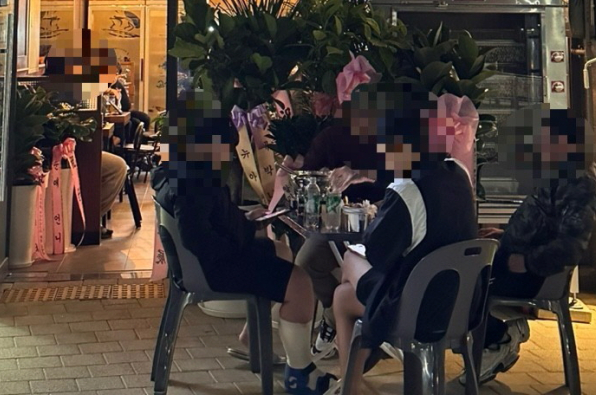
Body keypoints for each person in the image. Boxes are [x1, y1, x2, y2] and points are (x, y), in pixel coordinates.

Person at [152, 91, 335, 395]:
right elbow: (198, 237)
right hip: (214, 266)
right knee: (300, 283)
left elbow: (209, 220)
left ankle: (253, 337)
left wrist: (243, 220)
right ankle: (301, 373)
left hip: (203, 263)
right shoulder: (195, 181)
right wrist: (243, 233)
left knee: (281, 251)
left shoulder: (178, 172)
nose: (229, 151)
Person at [331, 84, 477, 395]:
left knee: (348, 268)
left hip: (417, 309)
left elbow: (378, 254)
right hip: (461, 305)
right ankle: (355, 375)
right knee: (345, 293)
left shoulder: (408, 190)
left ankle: (350, 385)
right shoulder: (459, 174)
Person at [472, 107, 596, 384]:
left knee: (464, 285)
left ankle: (498, 338)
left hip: (533, 275)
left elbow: (571, 246)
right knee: (464, 274)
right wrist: (504, 235)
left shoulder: (579, 183)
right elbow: (543, 223)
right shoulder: (560, 173)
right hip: (516, 260)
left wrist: (526, 262)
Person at [293, 90, 390, 359]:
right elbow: (308, 175)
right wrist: (324, 180)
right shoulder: (331, 138)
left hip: (382, 225)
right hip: (335, 222)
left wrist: (364, 174)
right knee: (306, 262)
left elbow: (399, 179)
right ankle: (332, 314)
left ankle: (363, 334)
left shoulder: (391, 142)